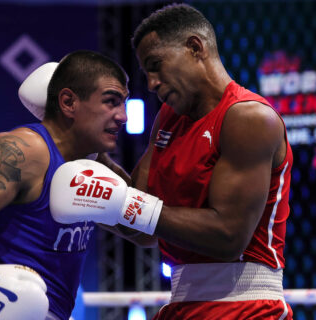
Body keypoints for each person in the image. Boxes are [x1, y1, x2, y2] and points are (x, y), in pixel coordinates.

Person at [49, 4, 293, 319]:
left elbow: (229, 236)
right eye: (146, 72)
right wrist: (89, 153)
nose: (151, 83)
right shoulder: (169, 119)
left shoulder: (248, 118)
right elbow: (143, 228)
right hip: (182, 304)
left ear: (195, 48)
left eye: (156, 65)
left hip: (245, 307)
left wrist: (118, 200)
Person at [0, 50, 133, 320]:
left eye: (124, 103)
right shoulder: (25, 150)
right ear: (68, 102)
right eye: (111, 102)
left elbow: (147, 235)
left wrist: (100, 160)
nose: (123, 116)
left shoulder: (90, 172)